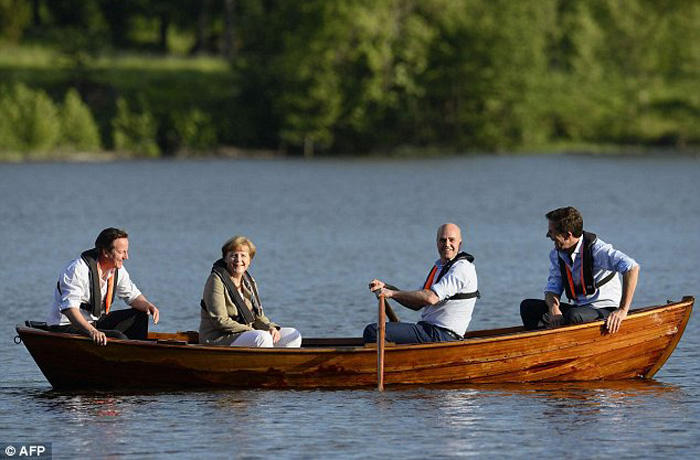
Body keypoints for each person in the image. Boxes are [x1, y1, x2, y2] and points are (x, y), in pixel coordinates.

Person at [520, 206, 640, 334]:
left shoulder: (598, 250)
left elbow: (632, 267)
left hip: (604, 310)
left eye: (551, 231)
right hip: (579, 309)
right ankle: (543, 346)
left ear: (567, 235)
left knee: (573, 316)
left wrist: (622, 310)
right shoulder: (556, 254)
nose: (547, 235)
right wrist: (554, 308)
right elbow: (552, 290)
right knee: (528, 307)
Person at [364, 223, 479, 344]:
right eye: (442, 240)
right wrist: (387, 287)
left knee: (372, 331)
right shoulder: (439, 267)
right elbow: (416, 304)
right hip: (428, 330)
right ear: (437, 243)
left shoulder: (462, 268)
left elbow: (431, 298)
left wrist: (392, 293)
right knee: (374, 333)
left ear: (460, 243)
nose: (447, 244)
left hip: (443, 335)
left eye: (452, 240)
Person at [47, 227, 160, 346]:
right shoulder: (77, 270)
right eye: (122, 252)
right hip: (64, 326)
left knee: (141, 314)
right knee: (118, 337)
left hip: (93, 323)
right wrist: (92, 331)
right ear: (105, 252)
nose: (126, 257)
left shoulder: (117, 270)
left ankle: (139, 356)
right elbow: (70, 310)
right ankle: (126, 359)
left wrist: (148, 305)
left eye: (126, 252)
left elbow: (133, 296)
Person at [199, 235, 302, 347]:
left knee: (293, 335)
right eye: (233, 255)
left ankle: (280, 364)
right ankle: (263, 364)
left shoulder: (249, 282)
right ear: (226, 259)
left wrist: (270, 327)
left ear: (249, 261)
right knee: (262, 337)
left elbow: (258, 316)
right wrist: (251, 330)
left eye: (243, 255)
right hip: (219, 337)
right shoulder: (216, 280)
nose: (238, 260)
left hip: (247, 332)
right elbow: (220, 321)